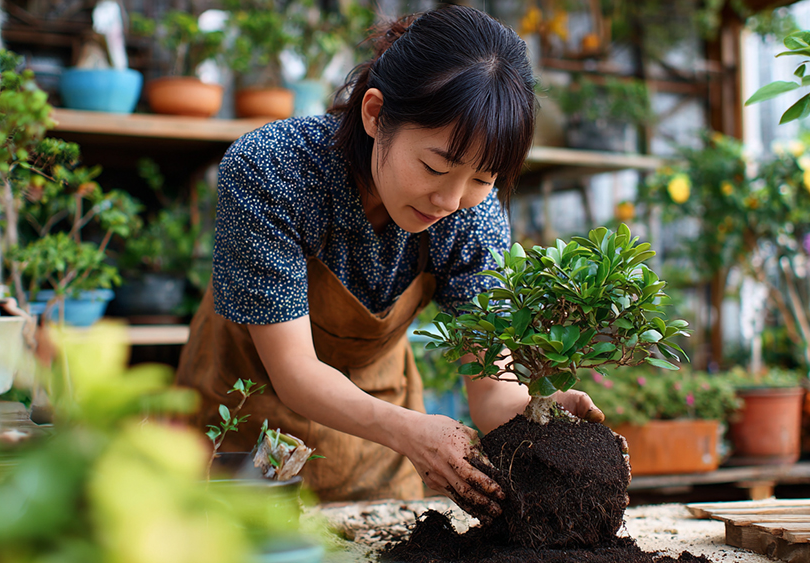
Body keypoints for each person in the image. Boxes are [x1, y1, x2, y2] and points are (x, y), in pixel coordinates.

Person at [175, 4, 603, 517]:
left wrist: (539, 416)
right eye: (435, 166)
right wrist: (411, 431)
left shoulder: (473, 216)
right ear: (375, 114)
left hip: (377, 451)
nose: (450, 200)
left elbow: (493, 393)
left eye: (482, 179)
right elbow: (294, 371)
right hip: (246, 435)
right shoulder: (272, 169)